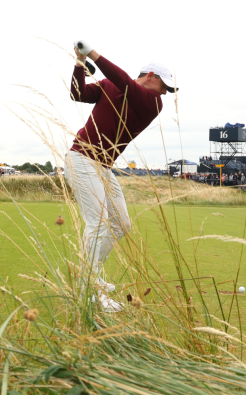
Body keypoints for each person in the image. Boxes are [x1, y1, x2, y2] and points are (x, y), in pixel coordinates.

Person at [65, 40, 177, 311]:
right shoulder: (109, 85)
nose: (164, 93)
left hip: (103, 167)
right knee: (99, 224)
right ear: (151, 76)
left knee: (121, 224)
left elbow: (124, 82)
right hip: (81, 159)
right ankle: (90, 293)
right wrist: (79, 63)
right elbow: (77, 93)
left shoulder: (152, 103)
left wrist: (91, 52)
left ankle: (94, 277)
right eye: (164, 86)